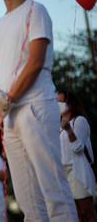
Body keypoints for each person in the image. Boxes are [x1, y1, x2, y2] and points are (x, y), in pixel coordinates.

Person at [0, 0, 78, 221]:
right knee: (27, 197)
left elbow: (36, 61)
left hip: (35, 106)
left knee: (53, 188)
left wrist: (10, 98)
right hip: (10, 116)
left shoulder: (36, 11)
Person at [58, 91, 97, 222]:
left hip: (77, 174)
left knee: (86, 213)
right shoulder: (58, 128)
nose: (57, 104)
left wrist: (69, 130)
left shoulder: (79, 121)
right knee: (74, 216)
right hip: (65, 176)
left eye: (61, 102)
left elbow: (78, 148)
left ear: (70, 103)